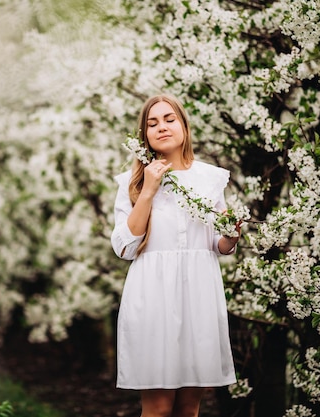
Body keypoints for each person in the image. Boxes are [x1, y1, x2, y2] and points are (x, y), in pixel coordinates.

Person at [111, 94, 239, 417]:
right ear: (145, 136)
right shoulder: (132, 182)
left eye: (169, 119)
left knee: (188, 409)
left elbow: (218, 244)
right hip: (153, 297)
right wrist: (149, 190)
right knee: (157, 409)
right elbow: (125, 247)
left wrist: (231, 234)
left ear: (184, 126)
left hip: (198, 296)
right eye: (152, 123)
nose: (162, 127)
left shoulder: (209, 179)